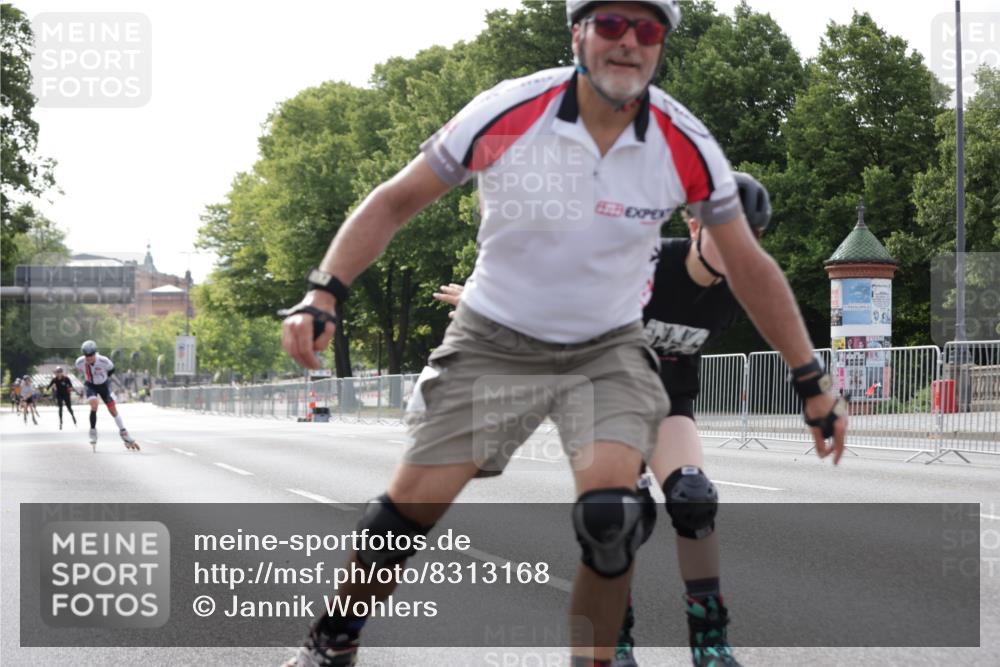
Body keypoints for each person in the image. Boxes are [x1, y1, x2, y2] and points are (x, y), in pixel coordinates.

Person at [281, 3, 846, 666]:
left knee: (613, 520)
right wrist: (324, 293)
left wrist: (812, 379)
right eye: (611, 25)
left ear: (661, 45)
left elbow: (748, 264)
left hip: (607, 348)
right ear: (576, 33)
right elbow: (396, 199)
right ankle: (334, 639)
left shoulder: (683, 143)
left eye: (648, 30)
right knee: (406, 513)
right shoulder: (511, 111)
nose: (629, 43)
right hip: (496, 333)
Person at [74, 340, 140, 452]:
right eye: (86, 356)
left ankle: (124, 433)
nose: (88, 358)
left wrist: (103, 376)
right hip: (91, 385)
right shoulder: (79, 362)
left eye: (90, 355)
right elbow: (81, 371)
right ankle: (93, 431)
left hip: (104, 385)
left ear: (95, 353)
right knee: (94, 405)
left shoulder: (104, 361)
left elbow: (111, 370)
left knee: (113, 410)